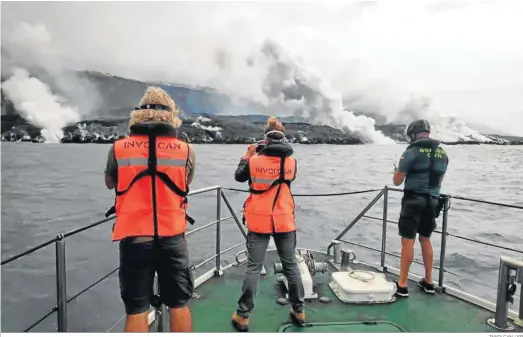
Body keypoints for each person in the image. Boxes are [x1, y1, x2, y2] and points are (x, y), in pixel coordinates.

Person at [104, 87, 196, 332]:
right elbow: (185, 184)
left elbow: (111, 183)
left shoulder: (118, 148)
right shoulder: (186, 150)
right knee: (179, 304)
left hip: (135, 236)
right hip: (172, 236)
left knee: (136, 310)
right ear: (171, 115)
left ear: (139, 113)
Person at [231, 116, 305, 332]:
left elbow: (238, 177)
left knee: (253, 268)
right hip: (284, 219)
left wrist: (247, 155)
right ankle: (299, 310)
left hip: (259, 220)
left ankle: (243, 316)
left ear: (266, 138)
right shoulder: (291, 163)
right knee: (291, 265)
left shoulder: (254, 161)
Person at [392, 119, 449, 298]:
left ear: (413, 134)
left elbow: (397, 181)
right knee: (426, 239)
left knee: (408, 241)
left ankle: (402, 285)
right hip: (433, 201)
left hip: (413, 200)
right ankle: (429, 282)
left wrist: (396, 172)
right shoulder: (442, 153)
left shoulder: (411, 152)